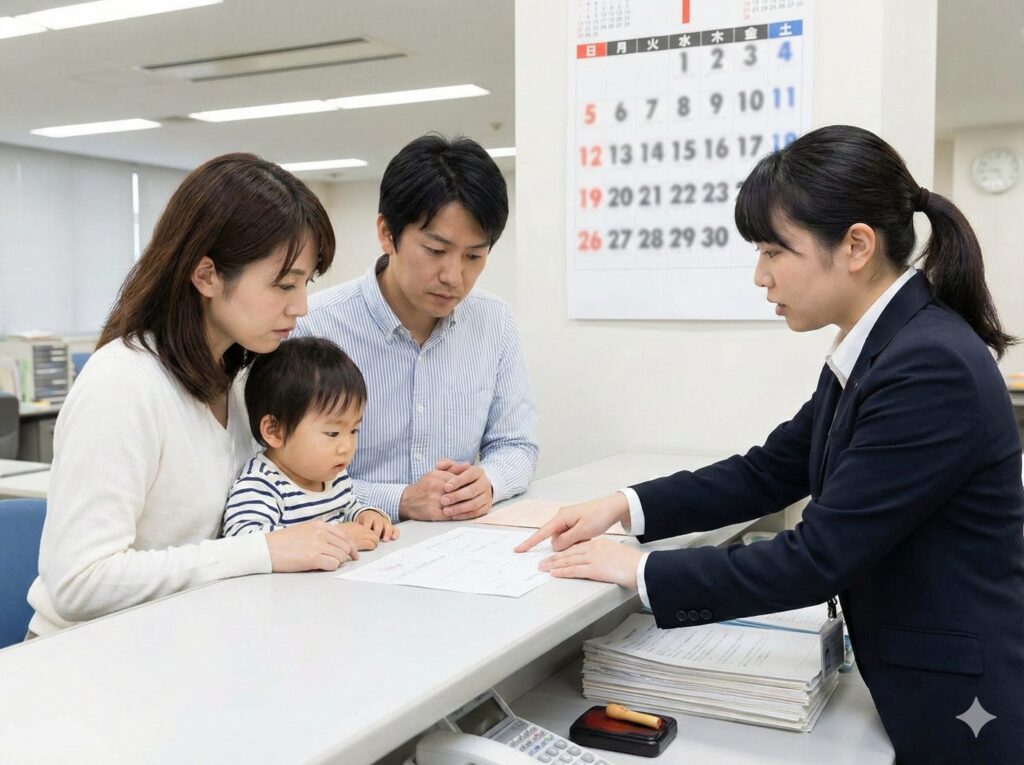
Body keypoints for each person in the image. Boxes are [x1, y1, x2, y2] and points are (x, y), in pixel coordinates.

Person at [517, 125, 1024, 763]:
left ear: (856, 246)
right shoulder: (883, 347)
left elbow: (817, 558)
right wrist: (623, 506)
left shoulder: (926, 366)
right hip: (916, 675)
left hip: (963, 711)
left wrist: (639, 570)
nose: (761, 276)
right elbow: (769, 471)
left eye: (773, 251)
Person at [27, 153, 361, 638]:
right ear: (206, 276)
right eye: (284, 284)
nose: (301, 306)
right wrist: (262, 551)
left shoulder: (241, 377)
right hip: (88, 655)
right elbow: (78, 583)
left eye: (305, 283)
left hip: (190, 636)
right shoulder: (122, 383)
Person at [295, 134, 538, 523]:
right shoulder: (312, 326)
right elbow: (281, 475)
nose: (453, 276)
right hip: (347, 547)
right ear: (386, 233)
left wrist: (488, 482)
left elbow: (516, 444)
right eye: (436, 251)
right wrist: (401, 500)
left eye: (474, 256)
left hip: (455, 543)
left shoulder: (495, 322)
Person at [222, 336, 398, 547]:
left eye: (353, 430)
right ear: (274, 431)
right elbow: (243, 542)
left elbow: (347, 508)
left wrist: (365, 515)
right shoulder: (262, 485)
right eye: (332, 433)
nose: (347, 447)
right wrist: (337, 536)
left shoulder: (334, 477)